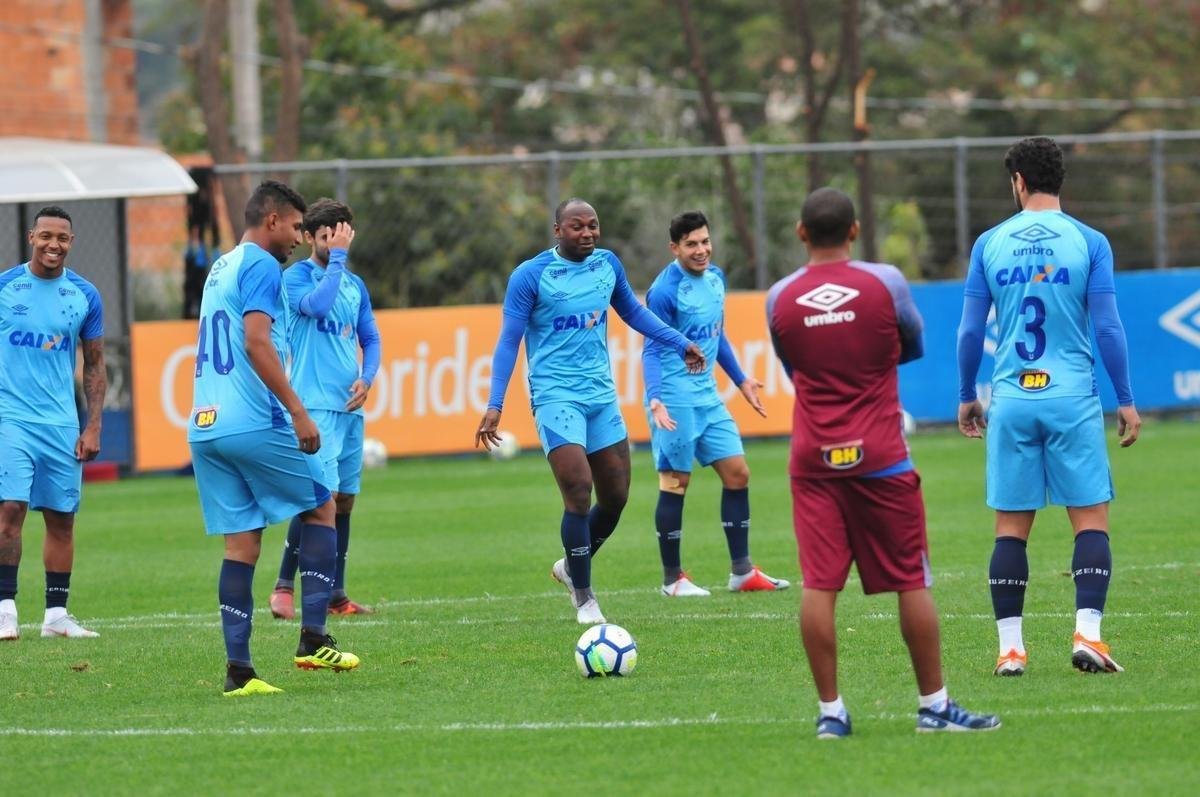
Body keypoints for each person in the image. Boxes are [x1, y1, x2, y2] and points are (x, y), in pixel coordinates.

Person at [768, 187, 998, 738]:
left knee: (819, 586)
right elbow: (910, 344)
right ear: (853, 232)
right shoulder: (886, 281)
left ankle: (831, 715)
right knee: (910, 580)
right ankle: (934, 707)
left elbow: (792, 367)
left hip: (813, 459)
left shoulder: (778, 297)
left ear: (802, 233)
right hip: (881, 456)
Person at [957, 136, 1140, 677]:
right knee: (1089, 519)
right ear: (1058, 180)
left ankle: (1010, 650)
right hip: (1071, 399)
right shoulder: (1089, 241)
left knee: (1010, 528)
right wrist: (1125, 399)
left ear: (1018, 180)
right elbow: (1107, 326)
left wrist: (968, 393)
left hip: (1012, 398)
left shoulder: (990, 242)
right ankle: (1088, 635)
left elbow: (970, 330)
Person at [475, 198, 706, 624]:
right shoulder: (531, 276)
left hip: (601, 395)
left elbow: (633, 312)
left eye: (593, 226)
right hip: (555, 396)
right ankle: (584, 597)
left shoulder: (607, 265)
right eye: (576, 226)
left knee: (615, 497)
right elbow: (509, 340)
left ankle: (569, 566)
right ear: (557, 230)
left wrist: (679, 341)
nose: (587, 233)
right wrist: (495, 403)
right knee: (579, 490)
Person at [188, 180, 360, 697]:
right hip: (253, 420)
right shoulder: (263, 265)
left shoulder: (222, 265)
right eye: (294, 226)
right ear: (271, 221)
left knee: (241, 543)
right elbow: (257, 341)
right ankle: (313, 638)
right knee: (322, 506)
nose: (298, 236)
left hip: (205, 424)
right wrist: (299, 412)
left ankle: (239, 672)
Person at [642, 210, 789, 597]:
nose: (701, 250)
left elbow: (717, 337)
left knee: (738, 473)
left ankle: (742, 572)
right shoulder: (664, 291)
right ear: (674, 248)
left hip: (707, 395)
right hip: (674, 396)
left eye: (705, 241)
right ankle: (672, 580)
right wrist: (655, 401)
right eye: (691, 244)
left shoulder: (716, 279)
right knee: (676, 483)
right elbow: (652, 350)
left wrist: (740, 380)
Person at [270, 198, 381, 619]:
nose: (335, 245)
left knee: (345, 501)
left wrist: (367, 377)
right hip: (313, 406)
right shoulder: (295, 277)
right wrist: (337, 260)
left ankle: (336, 595)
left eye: (342, 237)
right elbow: (316, 306)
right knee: (321, 499)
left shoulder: (355, 286)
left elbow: (371, 338)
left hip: (348, 409)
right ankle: (283, 586)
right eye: (326, 237)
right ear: (314, 238)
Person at [0, 206, 106, 641]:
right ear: (31, 237)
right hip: (11, 418)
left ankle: (56, 616)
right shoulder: (6, 287)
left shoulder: (85, 295)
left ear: (71, 242)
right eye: (46, 236)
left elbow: (96, 365)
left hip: (61, 423)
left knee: (62, 518)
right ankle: (5, 609)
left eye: (61, 238)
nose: (53, 244)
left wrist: (93, 424)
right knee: (10, 508)